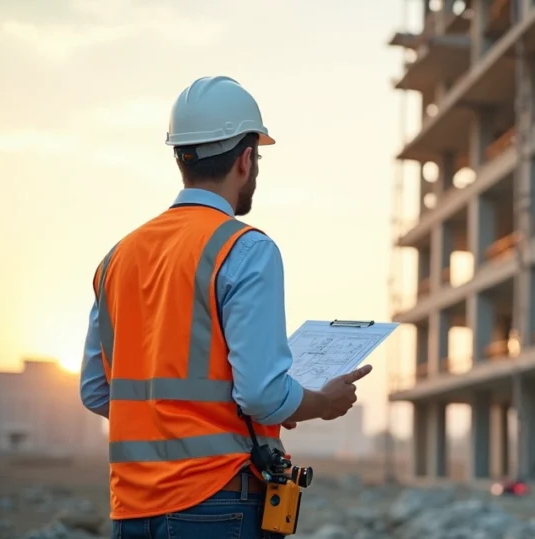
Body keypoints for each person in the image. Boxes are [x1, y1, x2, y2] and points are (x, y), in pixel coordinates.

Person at [78, 75, 372, 539]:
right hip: (215, 503)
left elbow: (98, 392)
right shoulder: (245, 249)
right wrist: (322, 402)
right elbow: (260, 395)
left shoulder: (118, 257)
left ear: (181, 158)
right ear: (246, 158)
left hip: (131, 509)